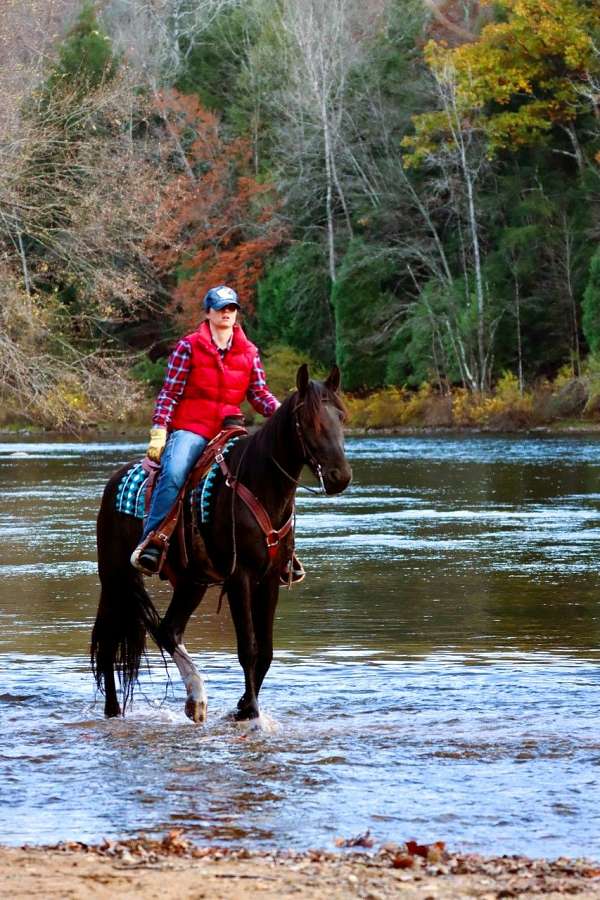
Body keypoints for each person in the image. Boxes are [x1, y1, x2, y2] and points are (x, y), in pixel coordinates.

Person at [130, 285, 280, 575]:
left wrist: (283, 411)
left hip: (230, 429)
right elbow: (170, 393)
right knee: (174, 472)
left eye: (232, 308)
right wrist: (159, 430)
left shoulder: (249, 352)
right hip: (191, 428)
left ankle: (280, 550)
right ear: (208, 312)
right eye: (221, 308)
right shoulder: (188, 346)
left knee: (264, 473)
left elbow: (259, 394)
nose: (227, 313)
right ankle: (153, 541)